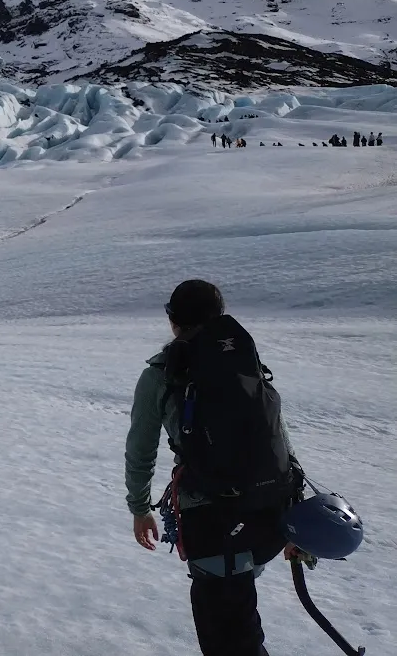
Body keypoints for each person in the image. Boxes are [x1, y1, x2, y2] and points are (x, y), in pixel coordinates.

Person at [126, 280, 303, 656]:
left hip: (212, 520)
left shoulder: (161, 374)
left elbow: (141, 450)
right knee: (239, 620)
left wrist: (140, 508)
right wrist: (293, 514)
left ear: (173, 321)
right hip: (269, 513)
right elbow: (277, 436)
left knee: (228, 636)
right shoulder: (244, 362)